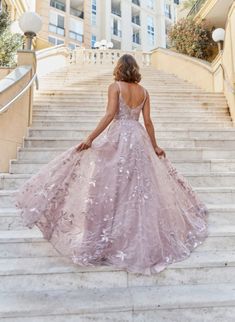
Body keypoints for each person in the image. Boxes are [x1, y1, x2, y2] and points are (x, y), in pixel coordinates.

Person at [14, 54, 209, 275]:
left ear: (119, 68)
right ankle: (133, 237)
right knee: (138, 188)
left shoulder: (115, 86)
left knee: (111, 186)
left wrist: (90, 138)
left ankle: (109, 237)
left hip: (118, 137)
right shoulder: (144, 92)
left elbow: (109, 115)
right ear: (135, 69)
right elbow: (148, 122)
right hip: (138, 137)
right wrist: (154, 146)